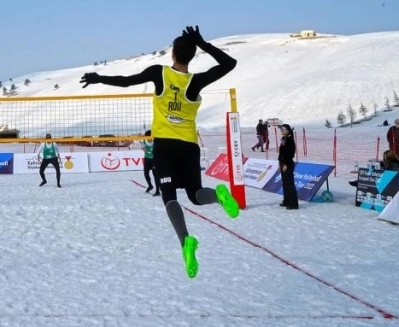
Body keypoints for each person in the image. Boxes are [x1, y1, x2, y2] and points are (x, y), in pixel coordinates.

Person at [80, 25, 239, 279]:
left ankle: (186, 241)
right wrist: (203, 43)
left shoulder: (159, 73)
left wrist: (99, 78)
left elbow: (127, 82)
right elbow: (230, 63)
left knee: (169, 197)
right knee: (196, 195)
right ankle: (219, 198)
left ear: (173, 54)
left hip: (164, 146)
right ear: (191, 54)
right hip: (189, 145)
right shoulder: (196, 80)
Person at [278, 124, 298, 210]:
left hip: (288, 164)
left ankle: (293, 203)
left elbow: (290, 153)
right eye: (281, 129)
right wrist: (280, 163)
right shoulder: (284, 139)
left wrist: (285, 164)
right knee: (285, 183)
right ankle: (286, 201)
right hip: (283, 163)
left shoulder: (290, 140)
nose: (281, 131)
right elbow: (281, 152)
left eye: (283, 129)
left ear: (288, 130)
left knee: (290, 184)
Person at [140, 130, 159, 196]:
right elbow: (145, 151)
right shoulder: (144, 141)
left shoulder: (155, 142)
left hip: (154, 160)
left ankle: (157, 191)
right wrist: (143, 147)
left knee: (155, 175)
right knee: (146, 173)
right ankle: (150, 186)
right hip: (147, 159)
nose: (148, 138)